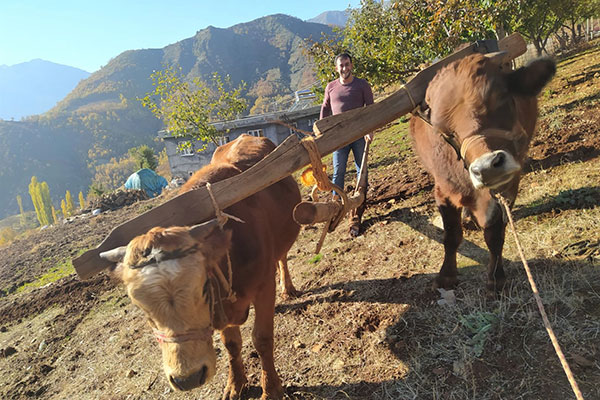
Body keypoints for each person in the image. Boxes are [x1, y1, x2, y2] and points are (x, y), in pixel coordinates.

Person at [320, 52, 374, 237]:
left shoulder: (362, 85)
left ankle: (356, 214)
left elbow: (371, 108)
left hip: (360, 136)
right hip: (339, 138)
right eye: (341, 65)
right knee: (339, 172)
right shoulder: (331, 87)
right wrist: (323, 131)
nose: (344, 68)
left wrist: (370, 129)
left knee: (362, 172)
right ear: (336, 68)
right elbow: (325, 109)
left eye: (347, 64)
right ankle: (335, 210)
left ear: (352, 65)